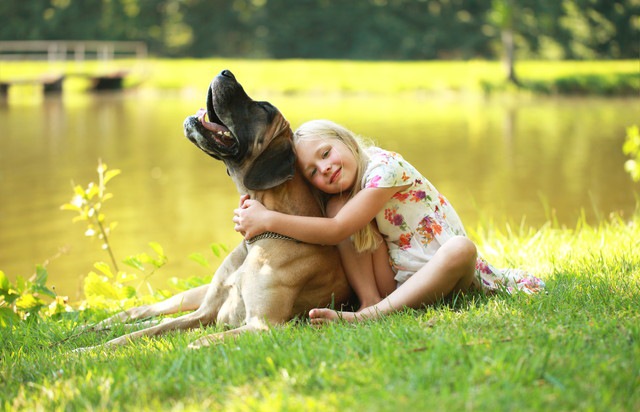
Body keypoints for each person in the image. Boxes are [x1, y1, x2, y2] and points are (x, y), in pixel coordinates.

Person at [233, 120, 544, 324]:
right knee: (338, 207)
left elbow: (336, 232)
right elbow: (335, 225)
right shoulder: (343, 193)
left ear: (345, 139)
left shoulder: (387, 168)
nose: (324, 169)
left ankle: (369, 316)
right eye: (313, 171)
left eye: (326, 153)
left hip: (443, 273)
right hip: (396, 279)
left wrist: (267, 220)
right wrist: (257, 208)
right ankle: (370, 299)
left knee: (462, 249)